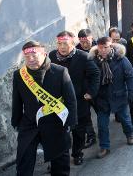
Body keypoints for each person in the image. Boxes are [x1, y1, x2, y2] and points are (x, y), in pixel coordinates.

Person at [12, 41, 77, 175]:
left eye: (34, 56)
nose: (30, 60)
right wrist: (16, 121)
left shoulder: (60, 72)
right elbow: (17, 100)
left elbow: (71, 100)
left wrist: (70, 123)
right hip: (29, 123)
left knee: (60, 161)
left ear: (44, 54)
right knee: (23, 160)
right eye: (27, 57)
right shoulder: (19, 75)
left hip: (56, 122)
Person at [49, 31, 100, 165]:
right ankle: (58, 158)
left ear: (72, 43)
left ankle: (77, 153)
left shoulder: (83, 56)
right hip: (58, 101)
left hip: (79, 100)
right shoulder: (52, 56)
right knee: (57, 131)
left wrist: (90, 93)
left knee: (78, 130)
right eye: (59, 44)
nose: (62, 47)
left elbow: (95, 74)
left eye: (65, 44)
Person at [89, 37, 133, 158]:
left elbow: (130, 76)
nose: (103, 50)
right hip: (102, 98)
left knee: (125, 120)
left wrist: (132, 92)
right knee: (102, 124)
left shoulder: (121, 59)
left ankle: (129, 135)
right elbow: (88, 79)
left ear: (111, 47)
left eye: (106, 47)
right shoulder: (93, 61)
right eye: (100, 48)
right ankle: (104, 147)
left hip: (119, 96)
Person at [76, 29, 97, 148]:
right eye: (82, 41)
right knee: (85, 115)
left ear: (91, 37)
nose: (85, 44)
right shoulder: (76, 51)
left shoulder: (99, 47)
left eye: (87, 40)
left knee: (101, 111)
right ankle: (91, 136)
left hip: (97, 86)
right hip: (83, 88)